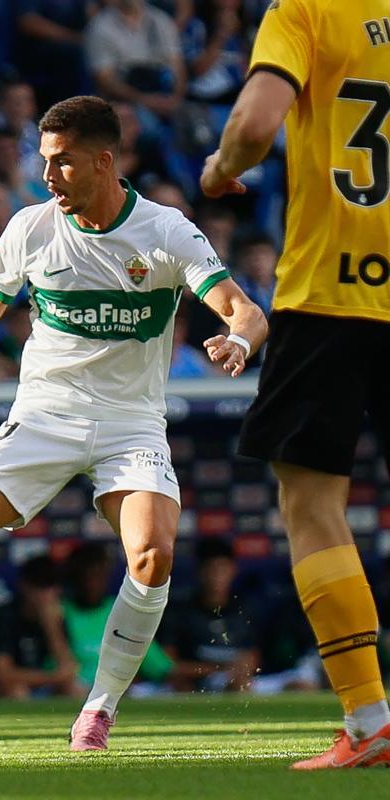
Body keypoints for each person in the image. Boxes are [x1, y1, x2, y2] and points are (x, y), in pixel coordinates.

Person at [0, 96, 266, 758]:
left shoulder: (166, 231)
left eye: (62, 162)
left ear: (104, 162)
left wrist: (239, 339)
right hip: (43, 416)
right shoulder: (31, 228)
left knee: (153, 554)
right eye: (44, 162)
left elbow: (245, 309)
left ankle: (99, 709)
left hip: (130, 425)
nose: (48, 176)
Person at [199, 0, 390, 768]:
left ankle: (370, 720)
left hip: (330, 300)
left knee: (312, 503)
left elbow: (253, 125)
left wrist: (220, 170)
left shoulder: (307, 9)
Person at [62, 542, 173, 693]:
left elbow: (160, 667)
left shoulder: (123, 610)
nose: (91, 584)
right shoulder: (60, 612)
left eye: (98, 576)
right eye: (86, 577)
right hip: (72, 691)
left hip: (122, 693)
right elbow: (61, 670)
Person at [0, 555, 80, 699]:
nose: (46, 594)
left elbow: (69, 671)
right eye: (41, 586)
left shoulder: (56, 616)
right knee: (17, 691)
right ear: (25, 586)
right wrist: (54, 678)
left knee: (74, 690)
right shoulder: (5, 615)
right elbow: (3, 675)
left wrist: (52, 628)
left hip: (39, 684)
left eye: (51, 586)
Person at [160, 538, 259, 693]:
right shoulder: (180, 612)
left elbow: (253, 658)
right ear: (199, 571)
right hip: (190, 684)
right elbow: (169, 665)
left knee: (243, 685)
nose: (216, 576)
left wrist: (241, 668)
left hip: (234, 681)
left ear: (233, 570)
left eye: (222, 569)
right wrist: (214, 669)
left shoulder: (245, 610)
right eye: (211, 569)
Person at [85, 0, 185, 121]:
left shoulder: (162, 21)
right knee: (143, 123)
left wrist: (176, 99)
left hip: (164, 94)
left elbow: (177, 66)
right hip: (126, 102)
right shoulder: (100, 27)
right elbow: (105, 80)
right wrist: (144, 100)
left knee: (194, 121)